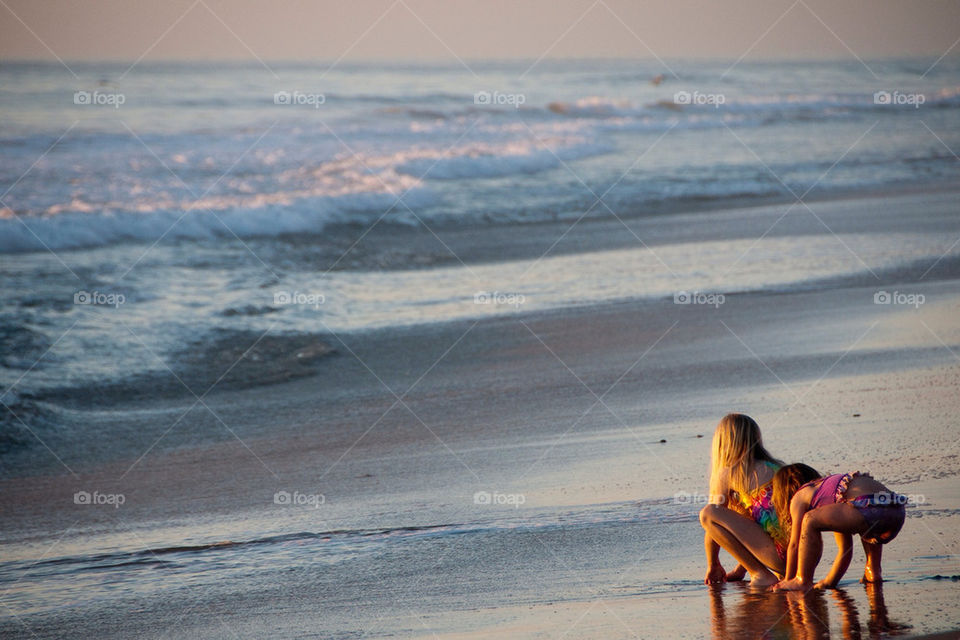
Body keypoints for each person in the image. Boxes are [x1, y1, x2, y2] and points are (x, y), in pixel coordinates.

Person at [771, 467, 906, 591]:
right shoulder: (834, 491)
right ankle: (873, 571)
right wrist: (830, 581)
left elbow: (794, 544)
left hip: (868, 508)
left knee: (809, 519)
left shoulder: (799, 496)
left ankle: (802, 581)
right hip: (896, 510)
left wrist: (788, 580)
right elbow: (845, 549)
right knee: (866, 524)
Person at [700, 413, 786, 587]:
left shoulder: (729, 472)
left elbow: (712, 526)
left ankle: (760, 574)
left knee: (709, 514)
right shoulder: (777, 467)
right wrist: (740, 569)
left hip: (781, 556)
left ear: (722, 443)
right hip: (804, 555)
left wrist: (713, 564)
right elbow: (759, 522)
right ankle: (754, 569)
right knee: (742, 512)